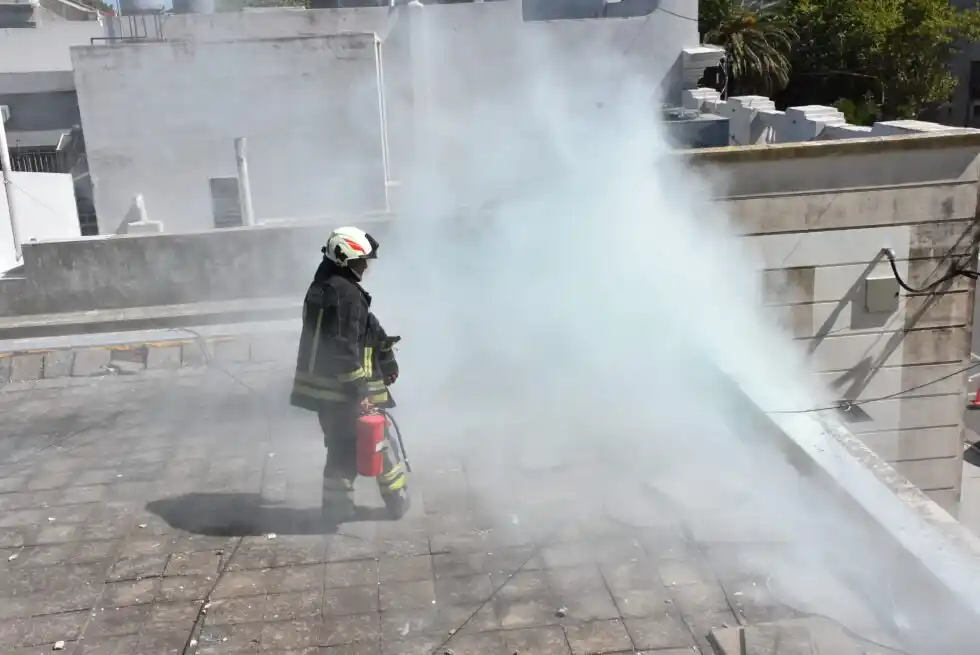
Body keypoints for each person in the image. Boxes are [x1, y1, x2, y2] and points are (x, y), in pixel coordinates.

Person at [290, 226, 409, 523]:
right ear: (344, 258)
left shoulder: (322, 286)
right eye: (361, 260)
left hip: (323, 392)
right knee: (379, 442)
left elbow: (365, 328)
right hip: (345, 391)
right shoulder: (346, 294)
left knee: (340, 449)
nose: (366, 266)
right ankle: (397, 501)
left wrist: (386, 357)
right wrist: (361, 393)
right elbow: (343, 346)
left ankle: (336, 508)